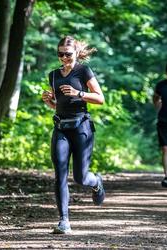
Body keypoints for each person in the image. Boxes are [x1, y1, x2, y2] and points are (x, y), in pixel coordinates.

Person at [42, 36, 105, 234]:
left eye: (67, 54)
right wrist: (48, 101)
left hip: (81, 128)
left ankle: (96, 182)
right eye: (60, 54)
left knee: (80, 177)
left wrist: (79, 93)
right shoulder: (53, 75)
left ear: (76, 53)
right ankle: (64, 221)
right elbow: (57, 104)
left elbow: (100, 98)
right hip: (61, 127)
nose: (63, 57)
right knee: (60, 173)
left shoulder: (83, 71)